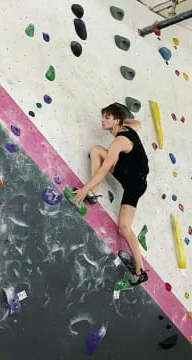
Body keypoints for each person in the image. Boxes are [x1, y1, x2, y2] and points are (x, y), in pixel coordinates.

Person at [72, 103, 149, 285]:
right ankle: (93, 193)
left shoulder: (119, 141)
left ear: (116, 121)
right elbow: (137, 122)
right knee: (96, 150)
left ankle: (140, 270)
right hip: (135, 176)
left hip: (134, 184)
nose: (103, 120)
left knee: (124, 228)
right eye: (104, 116)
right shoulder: (128, 126)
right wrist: (121, 116)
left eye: (107, 117)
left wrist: (83, 188)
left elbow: (105, 168)